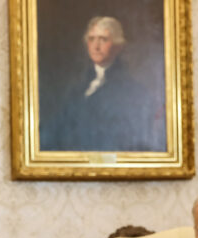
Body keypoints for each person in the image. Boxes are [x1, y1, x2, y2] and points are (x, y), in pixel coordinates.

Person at [40, 16, 165, 152]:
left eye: (103, 39)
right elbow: (57, 127)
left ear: (118, 46)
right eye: (91, 39)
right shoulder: (79, 89)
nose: (96, 46)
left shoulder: (133, 91)